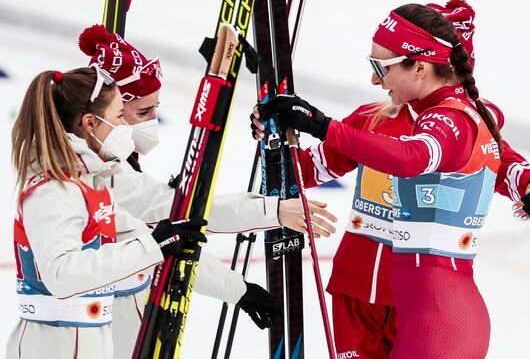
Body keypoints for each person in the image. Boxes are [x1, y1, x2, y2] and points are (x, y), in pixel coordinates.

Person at [252, 0, 530, 359]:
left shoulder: (461, 122)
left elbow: (502, 165)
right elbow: (303, 171)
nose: (376, 80)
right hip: (358, 290)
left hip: (415, 298)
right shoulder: (373, 119)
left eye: (382, 67)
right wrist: (272, 139)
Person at [77, 24, 338, 358]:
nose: (153, 120)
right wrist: (273, 211)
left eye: (156, 108)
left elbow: (162, 239)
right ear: (98, 116)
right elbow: (179, 210)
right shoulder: (96, 176)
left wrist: (239, 291)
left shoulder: (111, 162)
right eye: (143, 112)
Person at [6, 66, 211, 358]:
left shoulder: (91, 180)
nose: (125, 127)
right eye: (118, 117)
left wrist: (167, 223)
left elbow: (136, 240)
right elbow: (61, 274)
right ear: (90, 123)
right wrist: (153, 245)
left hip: (86, 339)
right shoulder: (54, 189)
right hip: (55, 344)